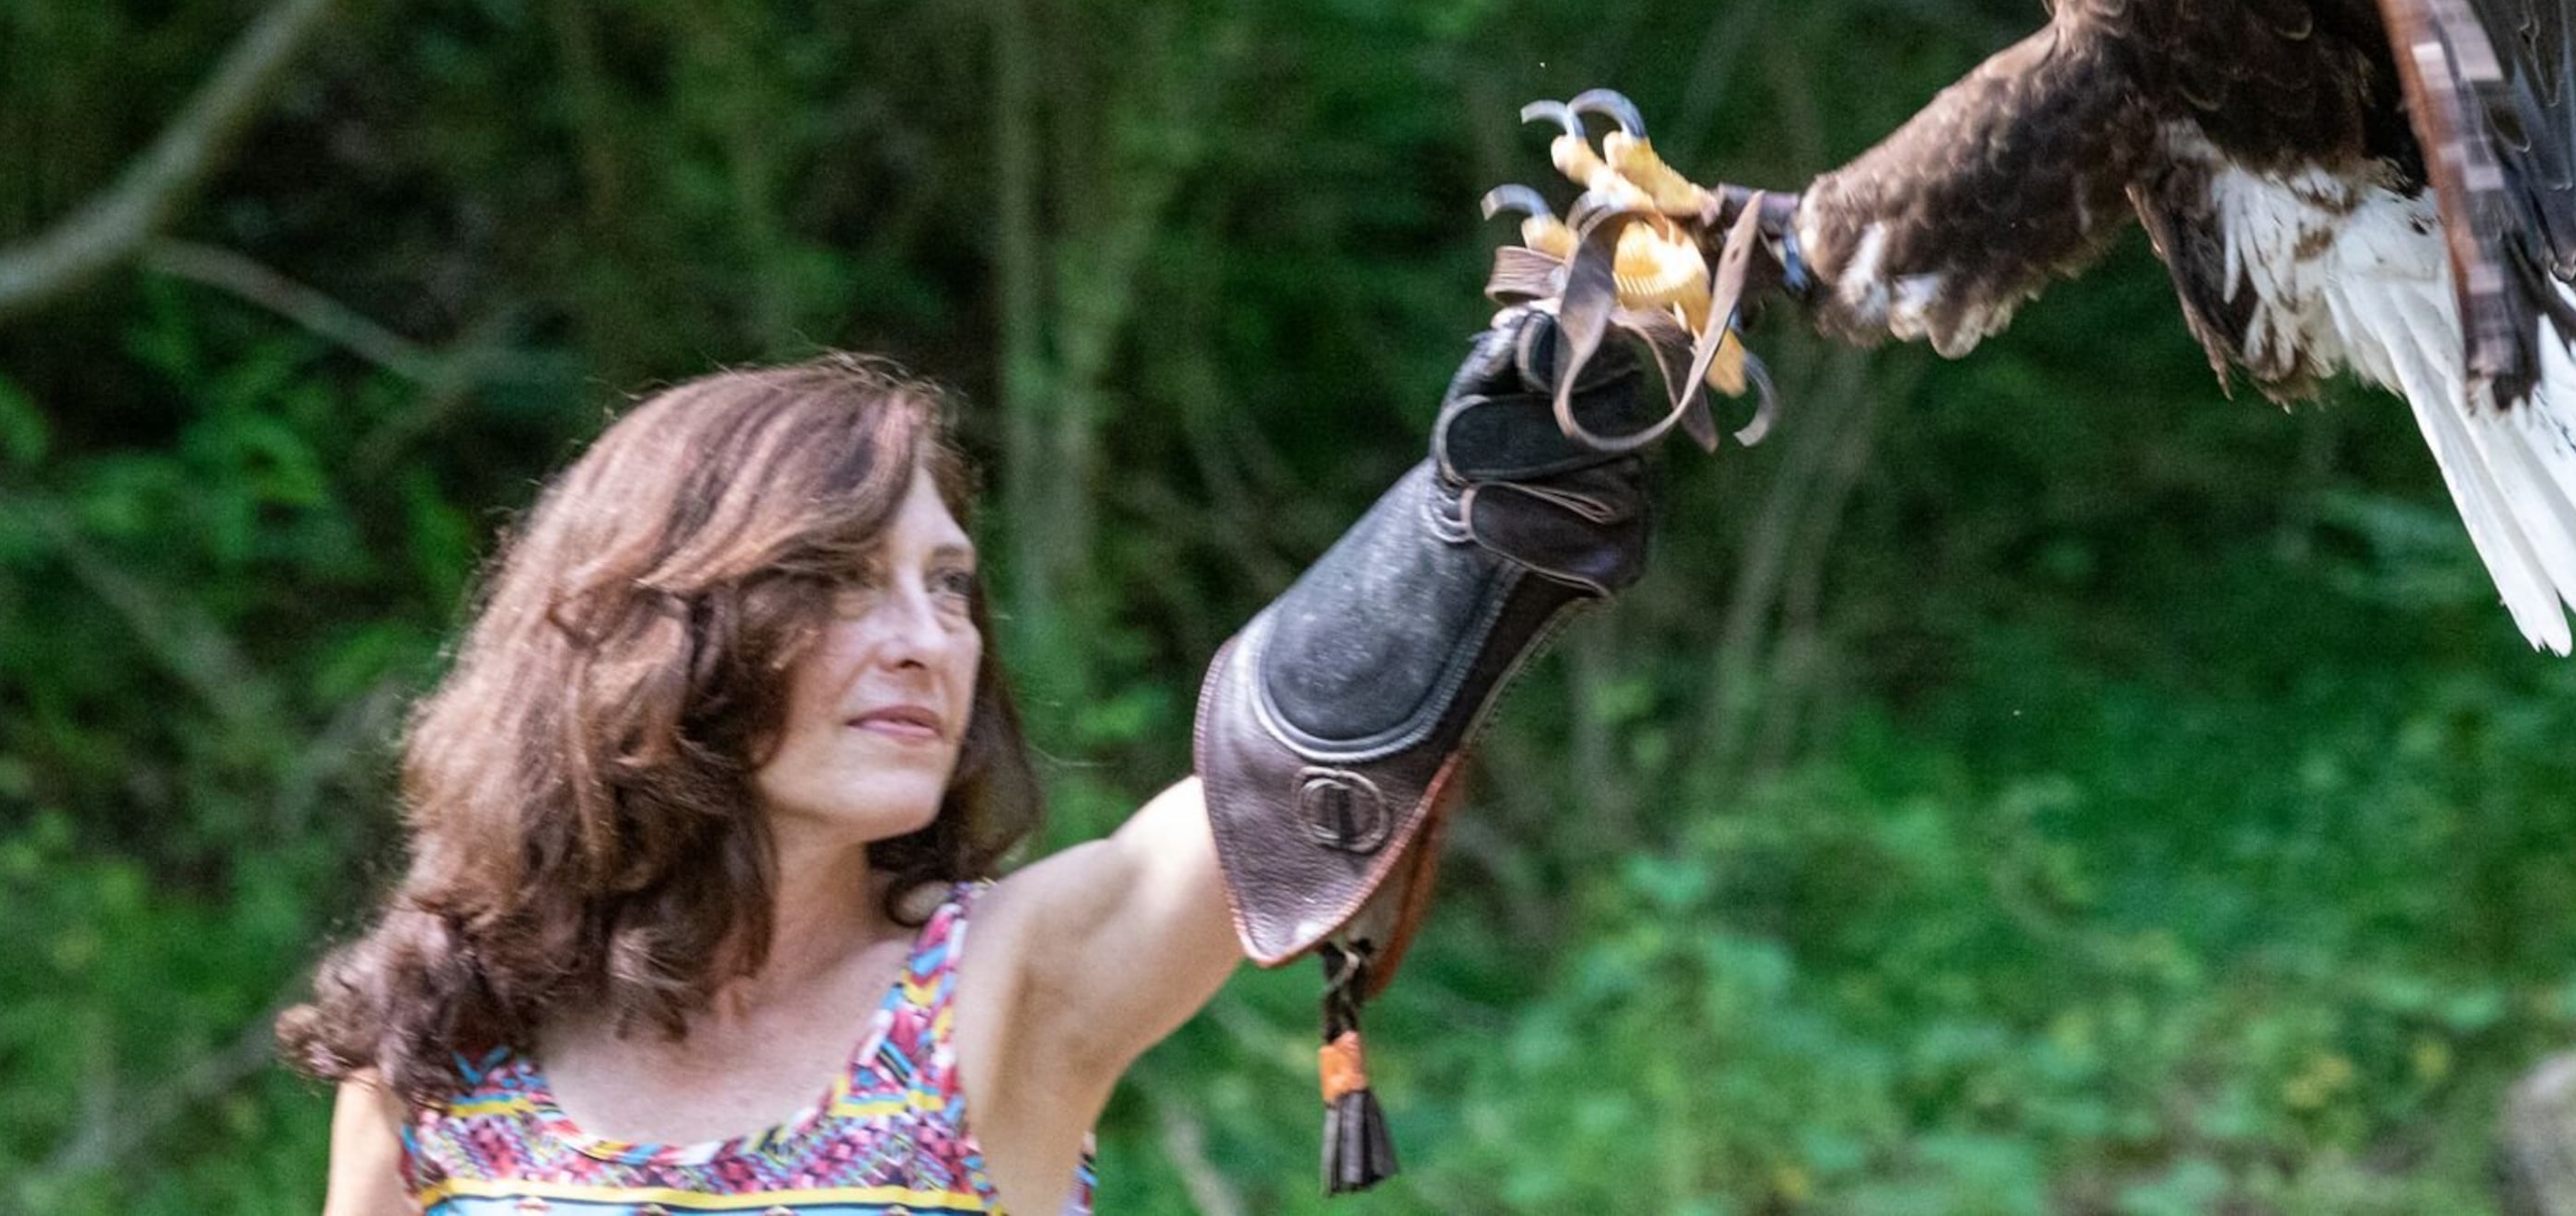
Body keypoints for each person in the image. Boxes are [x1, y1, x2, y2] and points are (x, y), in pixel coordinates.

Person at [283, 304, 1671, 1214]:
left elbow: (1279, 789)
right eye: (841, 581)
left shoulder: (995, 990)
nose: (924, 642)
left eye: (947, 588)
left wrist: (1485, 515)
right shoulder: (448, 1057)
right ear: (666, 628)